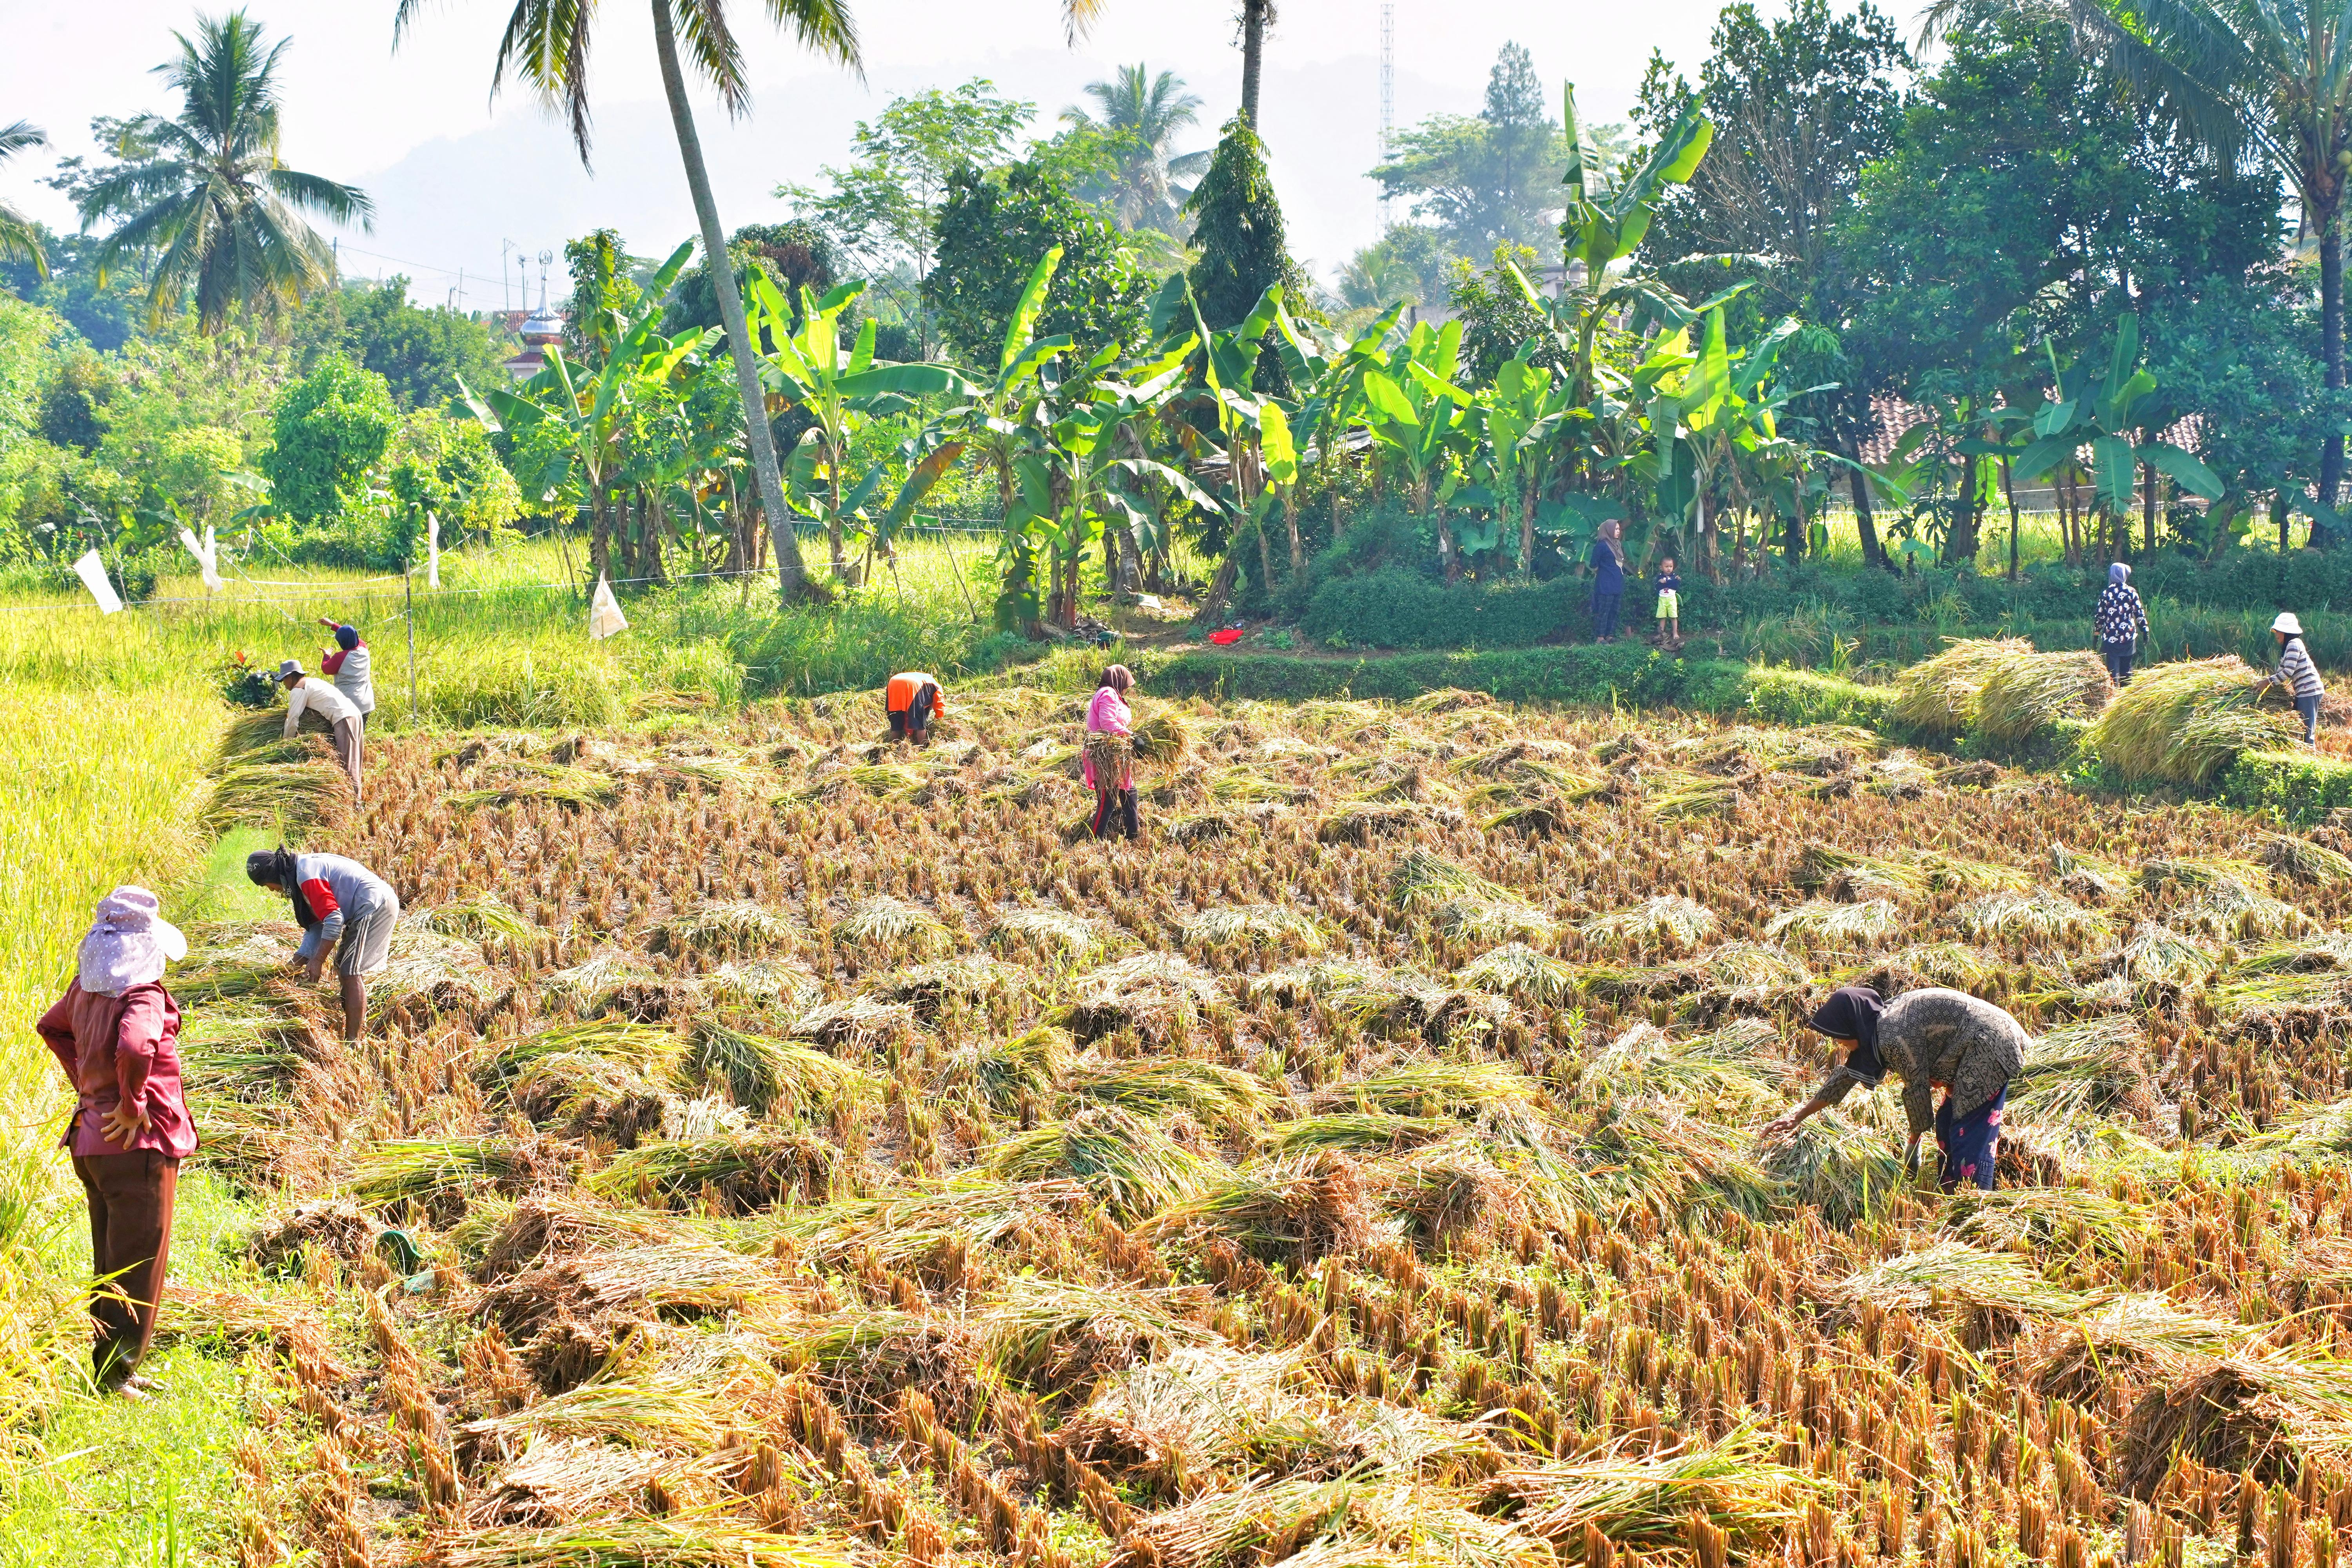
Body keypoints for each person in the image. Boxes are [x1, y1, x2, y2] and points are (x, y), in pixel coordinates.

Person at [38, 887, 194, 1397]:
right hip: (135, 1148)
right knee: (138, 1260)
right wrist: (130, 1104)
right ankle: (115, 1375)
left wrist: (90, 1087)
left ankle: (109, 1362)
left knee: (111, 1257)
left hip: (90, 1141)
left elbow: (52, 1028)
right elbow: (134, 1044)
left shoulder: (85, 990)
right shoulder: (142, 995)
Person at [1760, 984, 2025, 1192]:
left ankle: (1975, 1200)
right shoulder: (1877, 1026)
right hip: (1969, 1045)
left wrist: (1913, 1142)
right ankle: (1951, 1191)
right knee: (1947, 1124)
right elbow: (1844, 1079)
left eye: (1838, 1036)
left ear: (1852, 1025)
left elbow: (1917, 1089)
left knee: (1969, 1129)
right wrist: (1798, 1117)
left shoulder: (1892, 1036)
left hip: (1991, 1044)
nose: (1837, 1043)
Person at [245, 848, 400, 1042]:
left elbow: (334, 919)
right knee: (341, 965)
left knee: (350, 972)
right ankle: (347, 1018)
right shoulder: (298, 873)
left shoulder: (306, 876)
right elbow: (318, 925)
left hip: (374, 905)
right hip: (365, 906)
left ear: (274, 875)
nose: (271, 890)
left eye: (266, 885)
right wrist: (295, 963)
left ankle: (353, 1041)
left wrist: (318, 960)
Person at [276, 660, 365, 802]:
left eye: (284, 680)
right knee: (355, 760)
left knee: (348, 763)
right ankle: (356, 799)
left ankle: (354, 804)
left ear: (290, 677)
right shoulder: (313, 682)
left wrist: (286, 742)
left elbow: (293, 719)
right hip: (354, 715)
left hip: (344, 719)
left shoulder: (299, 689)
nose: (285, 685)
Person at [1084, 663, 1140, 841]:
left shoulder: (1113, 694)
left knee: (1129, 793)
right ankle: (1093, 841)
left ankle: (1133, 835)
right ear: (1118, 681)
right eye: (1126, 685)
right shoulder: (1108, 694)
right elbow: (1107, 723)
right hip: (1105, 756)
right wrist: (1132, 736)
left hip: (1117, 754)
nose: (1126, 689)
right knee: (1107, 802)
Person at [2256, 612, 2326, 745]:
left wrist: (2268, 682)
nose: (2276, 635)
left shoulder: (2294, 644)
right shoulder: (2289, 646)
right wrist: (2267, 683)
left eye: (2278, 631)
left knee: (2307, 730)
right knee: (2300, 726)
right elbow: (2281, 670)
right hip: (2304, 691)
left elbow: (2288, 671)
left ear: (2285, 632)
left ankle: (2310, 756)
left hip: (2309, 690)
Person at [2095, 563, 2150, 686]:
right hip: (2128, 637)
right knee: (2127, 670)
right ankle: (2126, 699)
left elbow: (2100, 617)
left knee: (2112, 672)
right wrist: (2145, 631)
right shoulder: (2132, 592)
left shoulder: (2106, 593)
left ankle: (2113, 698)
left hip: (2111, 638)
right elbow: (2139, 614)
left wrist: (2096, 635)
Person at [318, 618, 375, 733]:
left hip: (349, 704)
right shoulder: (364, 649)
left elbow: (326, 669)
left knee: (346, 739)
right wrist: (333, 625)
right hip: (366, 703)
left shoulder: (341, 657)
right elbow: (352, 635)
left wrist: (327, 655)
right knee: (359, 737)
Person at [1588, 519, 1626, 642]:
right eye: (1616, 529)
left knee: (1614, 611)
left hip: (1617, 583)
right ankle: (1600, 637)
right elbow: (1594, 564)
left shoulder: (1617, 545)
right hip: (1605, 584)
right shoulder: (1602, 545)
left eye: (1619, 529)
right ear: (1608, 530)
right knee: (1604, 611)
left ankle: (1610, 635)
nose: (1618, 532)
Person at [885, 671, 944, 742]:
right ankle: (923, 748)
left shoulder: (922, 679)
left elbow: (908, 716)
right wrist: (939, 720)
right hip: (913, 685)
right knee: (920, 726)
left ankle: (893, 748)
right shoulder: (936, 686)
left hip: (893, 683)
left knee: (896, 724)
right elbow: (940, 706)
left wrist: (909, 735)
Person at [1653, 556, 1682, 648]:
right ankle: (1661, 634)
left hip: (1672, 599)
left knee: (1673, 616)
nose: (1669, 568)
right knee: (1662, 617)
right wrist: (1661, 583)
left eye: (1671, 566)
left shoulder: (1675, 577)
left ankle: (1675, 633)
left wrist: (1666, 583)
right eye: (1667, 567)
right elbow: (1657, 587)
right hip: (1662, 599)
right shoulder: (1659, 577)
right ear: (1661, 567)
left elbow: (1675, 586)